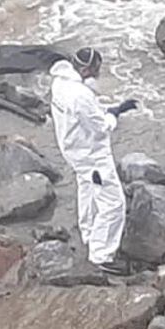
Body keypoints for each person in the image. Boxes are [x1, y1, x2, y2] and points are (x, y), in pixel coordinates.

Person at [49, 48, 138, 274]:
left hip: (73, 151)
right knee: (114, 204)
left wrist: (106, 110)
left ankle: (88, 232)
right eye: (97, 69)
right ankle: (101, 255)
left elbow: (82, 115)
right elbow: (100, 128)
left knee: (87, 190)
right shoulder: (81, 95)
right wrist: (114, 113)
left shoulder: (59, 83)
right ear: (86, 70)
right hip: (92, 157)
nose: (99, 73)